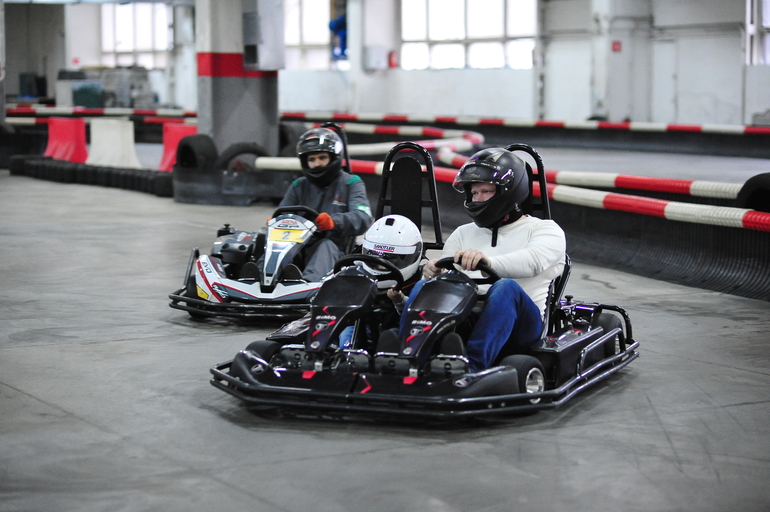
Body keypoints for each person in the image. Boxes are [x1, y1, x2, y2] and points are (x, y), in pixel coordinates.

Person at [399, 147, 566, 372]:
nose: (478, 198)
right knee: (425, 286)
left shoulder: (544, 229)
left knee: (506, 287)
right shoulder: (462, 233)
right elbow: (447, 281)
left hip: (521, 328)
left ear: (509, 192)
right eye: (474, 193)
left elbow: (533, 261)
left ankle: (473, 367)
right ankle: (408, 358)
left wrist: (487, 263)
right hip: (466, 318)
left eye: (486, 191)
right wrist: (434, 273)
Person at [278, 127, 373, 282]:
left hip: (335, 249)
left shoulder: (351, 183)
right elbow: (282, 214)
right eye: (312, 160)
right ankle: (261, 278)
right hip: (299, 246)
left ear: (334, 158)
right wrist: (276, 222)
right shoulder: (299, 185)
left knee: (325, 245)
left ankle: (308, 286)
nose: (317, 164)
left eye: (322, 158)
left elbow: (363, 217)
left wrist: (334, 222)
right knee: (273, 241)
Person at [338, 214, 424, 349]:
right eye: (374, 257)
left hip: (398, 332)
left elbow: (419, 318)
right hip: (362, 328)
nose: (379, 266)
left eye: (389, 260)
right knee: (346, 332)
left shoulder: (421, 282)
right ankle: (345, 354)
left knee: (390, 337)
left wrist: (400, 300)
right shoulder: (356, 272)